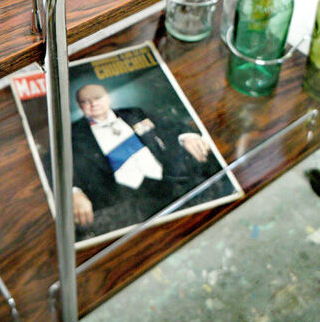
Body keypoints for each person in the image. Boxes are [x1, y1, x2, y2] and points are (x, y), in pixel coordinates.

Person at [69, 83, 213, 229]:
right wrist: (74, 192)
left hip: (169, 182)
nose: (93, 104)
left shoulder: (134, 113)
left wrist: (188, 137)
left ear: (108, 98)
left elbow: (170, 125)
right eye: (86, 101)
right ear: (80, 106)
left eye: (97, 98)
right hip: (126, 201)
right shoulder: (73, 134)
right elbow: (59, 166)